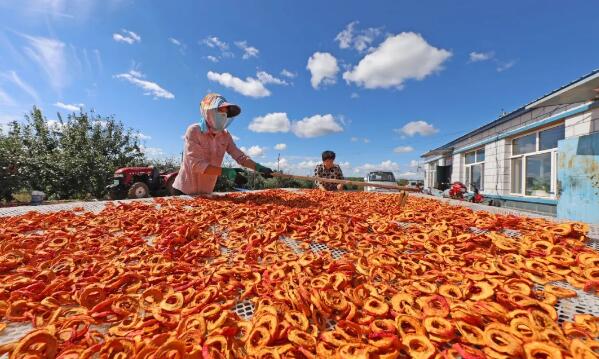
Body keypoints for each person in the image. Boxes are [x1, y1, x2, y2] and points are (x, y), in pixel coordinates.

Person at [172, 93, 273, 195]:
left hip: (206, 192)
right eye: (219, 111)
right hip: (184, 191)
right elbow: (196, 165)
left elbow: (240, 156)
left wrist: (259, 168)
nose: (223, 116)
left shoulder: (225, 135)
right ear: (208, 111)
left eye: (225, 114)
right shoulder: (194, 131)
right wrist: (226, 172)